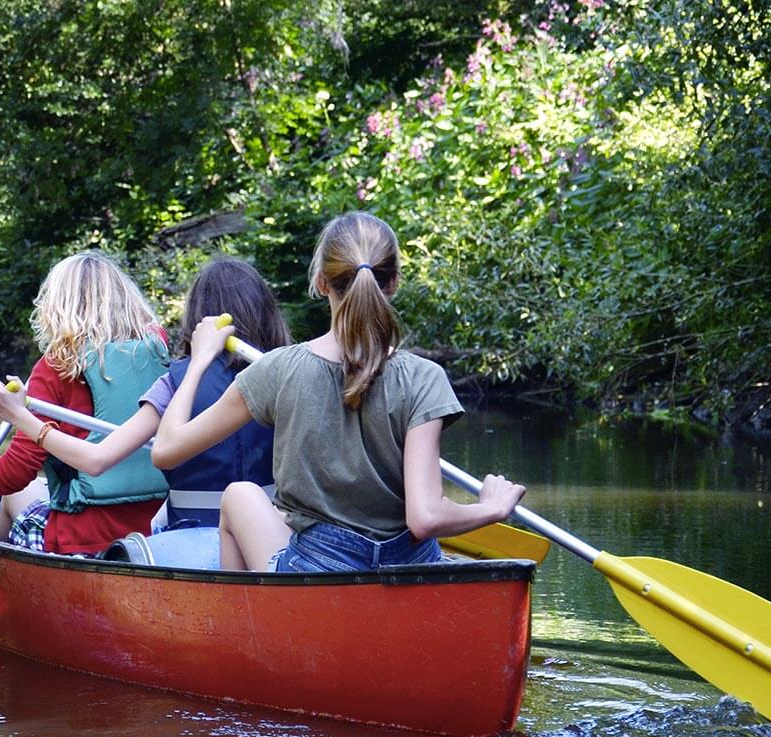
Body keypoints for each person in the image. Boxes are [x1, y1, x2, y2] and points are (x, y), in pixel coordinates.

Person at [151, 212, 527, 571]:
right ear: (394, 282)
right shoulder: (424, 377)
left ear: (320, 283)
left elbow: (166, 452)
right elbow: (425, 518)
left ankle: (241, 627)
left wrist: (199, 360)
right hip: (408, 566)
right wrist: (489, 507)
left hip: (317, 566)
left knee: (239, 494)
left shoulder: (278, 369)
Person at [0, 257, 291, 530]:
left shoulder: (174, 381)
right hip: (269, 531)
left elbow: (98, 460)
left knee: (15, 499)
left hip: (188, 534)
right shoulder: (291, 377)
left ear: (197, 319)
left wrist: (19, 416)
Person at [0, 251, 168, 556]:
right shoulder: (160, 355)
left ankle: (1, 579)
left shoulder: (56, 367)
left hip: (80, 540)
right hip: (155, 536)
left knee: (12, 496)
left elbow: (16, 472)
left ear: (57, 307)